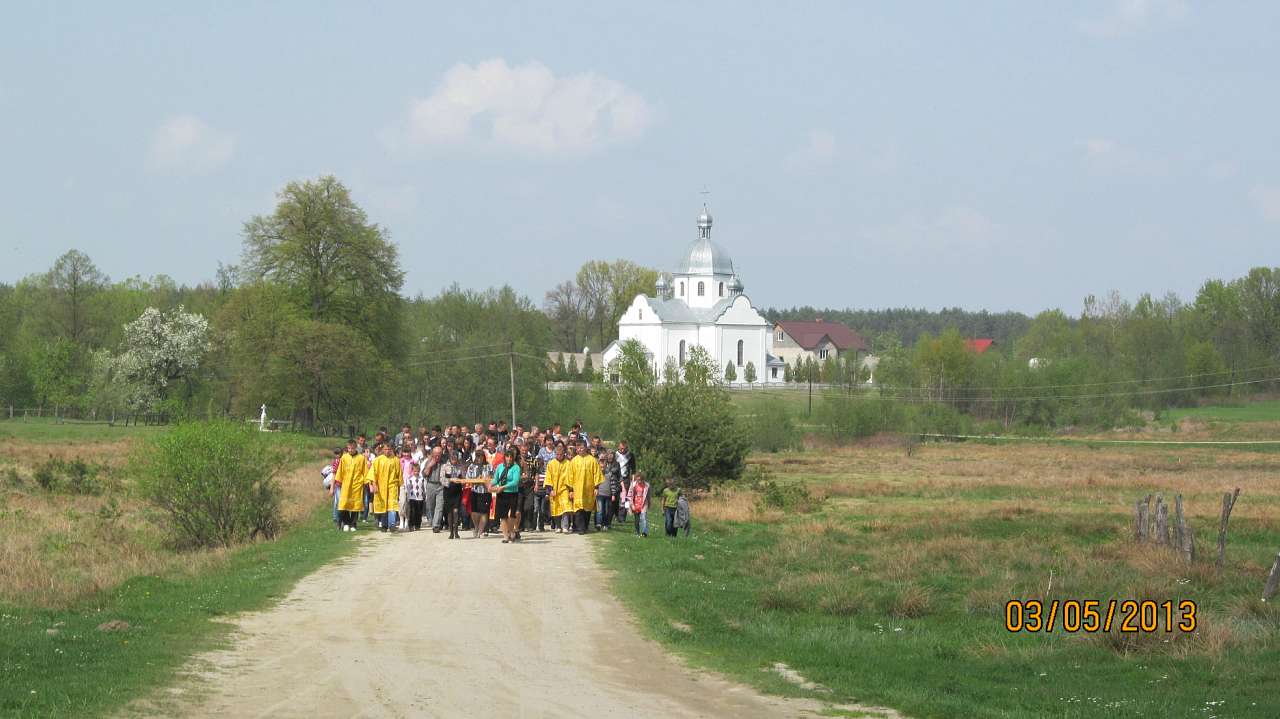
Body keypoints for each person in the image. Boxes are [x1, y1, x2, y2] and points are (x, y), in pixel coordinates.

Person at [569, 441, 604, 534]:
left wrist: (596, 487)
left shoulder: (592, 460)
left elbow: (597, 474)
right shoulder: (574, 461)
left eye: (582, 447)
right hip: (577, 489)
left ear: (585, 448)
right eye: (578, 448)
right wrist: (571, 490)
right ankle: (580, 528)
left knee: (587, 509)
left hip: (589, 489)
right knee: (578, 509)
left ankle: (585, 526)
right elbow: (570, 476)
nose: (580, 449)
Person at [489, 447, 522, 543]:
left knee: (512, 515)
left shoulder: (516, 467)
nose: (509, 459)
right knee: (503, 516)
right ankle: (505, 536)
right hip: (501, 494)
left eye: (511, 457)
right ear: (505, 457)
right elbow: (496, 479)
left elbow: (515, 481)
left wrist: (504, 487)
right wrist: (491, 485)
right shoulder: (500, 467)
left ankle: (511, 531)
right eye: (507, 457)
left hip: (512, 493)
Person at [333, 440, 366, 531]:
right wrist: (338, 482)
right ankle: (346, 523)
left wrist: (365, 482)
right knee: (344, 504)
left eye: (352, 448)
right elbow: (340, 470)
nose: (350, 450)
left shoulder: (361, 458)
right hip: (346, 484)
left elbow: (365, 471)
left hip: (357, 484)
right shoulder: (344, 457)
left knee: (356, 505)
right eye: (349, 448)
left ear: (356, 448)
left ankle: (353, 524)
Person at [370, 443, 403, 532]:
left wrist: (400, 486)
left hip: (392, 486)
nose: (387, 451)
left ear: (391, 450)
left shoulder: (396, 460)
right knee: (383, 506)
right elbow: (373, 474)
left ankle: (392, 524)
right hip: (381, 487)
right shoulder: (378, 460)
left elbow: (399, 474)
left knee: (392, 505)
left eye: (389, 449)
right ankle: (384, 525)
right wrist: (374, 485)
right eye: (385, 449)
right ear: (382, 450)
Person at [545, 443, 570, 533]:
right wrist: (550, 490)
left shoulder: (568, 463)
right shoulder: (551, 463)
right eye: (557, 454)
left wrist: (571, 490)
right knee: (555, 508)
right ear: (555, 454)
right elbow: (548, 477)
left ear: (564, 454)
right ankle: (558, 526)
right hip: (554, 489)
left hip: (564, 489)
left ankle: (565, 526)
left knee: (565, 507)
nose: (559, 456)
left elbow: (571, 477)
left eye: (561, 454)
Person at [421, 446, 445, 532]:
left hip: (441, 486)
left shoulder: (444, 462)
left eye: (439, 454)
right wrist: (430, 466)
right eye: (436, 455)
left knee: (439, 506)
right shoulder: (428, 461)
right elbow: (424, 474)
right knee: (430, 506)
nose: (437, 457)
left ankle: (436, 525)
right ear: (433, 454)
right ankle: (432, 521)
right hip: (431, 484)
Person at [466, 450, 490, 538]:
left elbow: (494, 477)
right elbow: (468, 478)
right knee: (474, 511)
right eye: (478, 456)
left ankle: (481, 530)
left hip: (485, 491)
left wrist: (486, 478)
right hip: (475, 491)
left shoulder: (488, 466)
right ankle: (476, 527)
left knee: (484, 512)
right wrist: (476, 479)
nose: (479, 458)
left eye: (481, 456)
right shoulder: (471, 466)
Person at [442, 448, 464, 539]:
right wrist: (451, 480)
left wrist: (461, 481)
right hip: (448, 491)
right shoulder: (444, 466)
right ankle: (451, 532)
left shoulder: (460, 466)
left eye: (455, 457)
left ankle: (456, 532)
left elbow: (463, 478)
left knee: (456, 511)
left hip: (457, 491)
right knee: (449, 512)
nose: (454, 459)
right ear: (450, 458)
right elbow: (441, 479)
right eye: (452, 458)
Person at [595, 448, 617, 531]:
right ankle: (598, 523)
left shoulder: (609, 474)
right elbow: (594, 484)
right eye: (601, 467)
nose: (602, 468)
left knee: (606, 511)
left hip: (608, 495)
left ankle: (605, 524)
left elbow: (613, 485)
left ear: (606, 465)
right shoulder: (596, 474)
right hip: (599, 494)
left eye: (603, 466)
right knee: (600, 510)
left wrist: (613, 494)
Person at [627, 472, 650, 537]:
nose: (639, 481)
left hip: (643, 503)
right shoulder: (633, 485)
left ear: (643, 479)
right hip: (635, 503)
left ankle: (644, 532)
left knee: (643, 518)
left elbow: (648, 495)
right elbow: (629, 495)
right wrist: (631, 505)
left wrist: (649, 503)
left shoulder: (647, 486)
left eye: (640, 480)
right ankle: (637, 532)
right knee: (637, 519)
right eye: (637, 480)